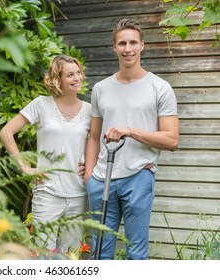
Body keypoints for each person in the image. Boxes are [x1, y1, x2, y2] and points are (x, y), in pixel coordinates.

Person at [84, 19, 179, 260]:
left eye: (133, 43)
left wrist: (130, 130)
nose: (128, 48)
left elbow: (171, 139)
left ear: (142, 45)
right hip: (101, 180)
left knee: (136, 254)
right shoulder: (101, 88)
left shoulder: (160, 87)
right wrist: (89, 178)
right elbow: (94, 136)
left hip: (138, 177)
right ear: (114, 47)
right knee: (98, 253)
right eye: (122, 43)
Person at [0, 54, 92, 252]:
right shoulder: (41, 104)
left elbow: (100, 141)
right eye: (70, 75)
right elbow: (6, 133)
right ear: (58, 79)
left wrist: (92, 166)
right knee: (44, 255)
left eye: (78, 73)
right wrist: (24, 167)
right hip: (47, 192)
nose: (77, 78)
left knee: (70, 257)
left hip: (78, 194)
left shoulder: (90, 111)